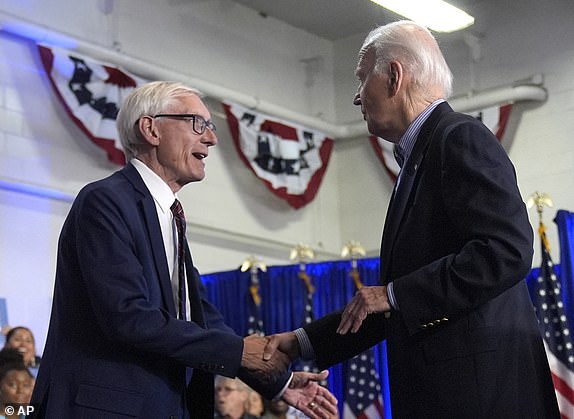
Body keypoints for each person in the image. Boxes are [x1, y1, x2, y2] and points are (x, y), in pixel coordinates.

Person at [265, 20, 560, 418]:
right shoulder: (421, 157)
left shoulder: (459, 138)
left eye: (361, 77)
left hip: (483, 399)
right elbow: (391, 303)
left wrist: (391, 295)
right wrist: (300, 342)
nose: (356, 97)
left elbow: (506, 252)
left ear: (394, 76)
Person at [29, 81, 338, 419]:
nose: (211, 138)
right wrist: (239, 351)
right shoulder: (105, 201)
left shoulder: (169, 214)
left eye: (210, 125)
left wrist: (277, 381)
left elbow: (198, 316)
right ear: (150, 129)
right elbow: (127, 316)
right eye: (197, 123)